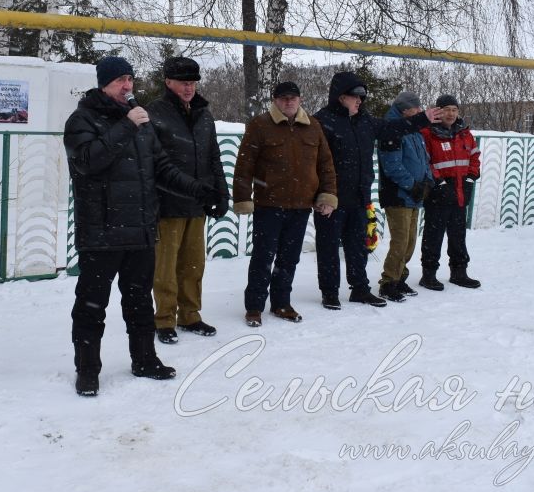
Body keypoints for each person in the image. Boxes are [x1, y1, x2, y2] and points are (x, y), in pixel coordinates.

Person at [64, 56, 216, 397]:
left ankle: (145, 359)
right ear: (104, 84)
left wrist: (194, 188)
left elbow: (160, 167)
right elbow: (89, 161)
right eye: (120, 80)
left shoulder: (141, 123)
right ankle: (87, 370)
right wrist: (127, 126)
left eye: (130, 78)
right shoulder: (82, 119)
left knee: (139, 303)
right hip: (101, 232)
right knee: (91, 306)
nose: (128, 85)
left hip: (141, 231)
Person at [313, 72, 441, 309]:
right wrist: (320, 195)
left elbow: (394, 128)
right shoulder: (322, 121)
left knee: (357, 247)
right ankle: (329, 292)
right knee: (329, 247)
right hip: (331, 197)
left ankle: (360, 289)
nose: (360, 101)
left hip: (359, 196)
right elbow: (312, 162)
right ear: (341, 97)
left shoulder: (365, 121)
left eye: (362, 96)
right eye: (355, 96)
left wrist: (422, 119)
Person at [233, 81, 338, 326]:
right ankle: (254, 307)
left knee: (289, 258)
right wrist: (242, 198)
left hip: (301, 206)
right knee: (262, 256)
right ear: (275, 100)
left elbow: (326, 165)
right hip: (268, 204)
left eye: (292, 97)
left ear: (300, 99)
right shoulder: (260, 125)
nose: (288, 102)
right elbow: (244, 165)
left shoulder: (313, 126)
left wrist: (327, 195)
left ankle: (281, 303)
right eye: (283, 98)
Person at [147, 56, 229, 345]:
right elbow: (154, 163)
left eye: (192, 83)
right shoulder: (155, 113)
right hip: (168, 202)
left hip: (198, 201)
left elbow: (214, 156)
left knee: (194, 264)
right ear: (168, 82)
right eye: (183, 83)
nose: (189, 88)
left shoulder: (203, 113)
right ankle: (164, 319)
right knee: (166, 267)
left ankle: (190, 314)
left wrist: (221, 192)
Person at [419, 94, 482, 290]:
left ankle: (459, 272)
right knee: (434, 235)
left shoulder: (465, 133)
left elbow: (474, 157)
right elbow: (425, 162)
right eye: (446, 109)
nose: (451, 114)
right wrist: (439, 183)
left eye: (454, 110)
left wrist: (471, 178)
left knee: (458, 234)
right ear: (438, 111)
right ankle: (428, 274)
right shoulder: (427, 133)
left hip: (460, 189)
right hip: (438, 192)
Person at [376, 91, 435, 302]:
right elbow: (392, 165)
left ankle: (400, 277)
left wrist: (427, 181)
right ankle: (388, 282)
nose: (420, 111)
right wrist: (412, 185)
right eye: (416, 108)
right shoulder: (392, 130)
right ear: (405, 110)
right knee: (400, 241)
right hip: (398, 195)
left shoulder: (414, 130)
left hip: (415, 194)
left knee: (410, 241)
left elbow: (424, 159)